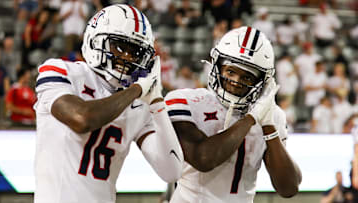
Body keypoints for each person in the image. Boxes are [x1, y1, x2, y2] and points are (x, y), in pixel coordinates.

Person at [33, 4, 183, 203]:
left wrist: (156, 101)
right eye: (120, 47)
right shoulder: (61, 71)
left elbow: (171, 171)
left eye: (135, 52)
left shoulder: (137, 102)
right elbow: (82, 119)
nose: (127, 58)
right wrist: (137, 89)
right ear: (96, 39)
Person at [165, 26, 302, 203]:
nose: (236, 82)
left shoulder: (271, 115)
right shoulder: (186, 101)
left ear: (262, 82)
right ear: (217, 66)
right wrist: (251, 118)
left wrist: (268, 125)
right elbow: (203, 159)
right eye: (230, 71)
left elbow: (288, 188)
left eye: (247, 77)